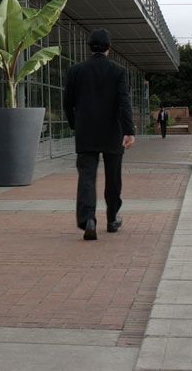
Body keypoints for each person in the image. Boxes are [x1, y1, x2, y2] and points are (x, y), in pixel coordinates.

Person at [64, 28, 136, 240]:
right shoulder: (118, 71)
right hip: (113, 133)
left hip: (86, 132)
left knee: (87, 177)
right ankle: (112, 219)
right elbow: (124, 102)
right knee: (113, 178)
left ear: (89, 47)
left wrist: (74, 124)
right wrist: (129, 130)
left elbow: (67, 103)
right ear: (109, 48)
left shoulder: (75, 71)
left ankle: (88, 219)